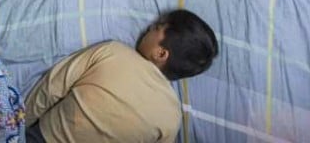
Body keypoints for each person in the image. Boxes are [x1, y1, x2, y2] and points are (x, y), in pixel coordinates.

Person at [23, 9, 219, 143]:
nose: (149, 28)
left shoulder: (114, 52)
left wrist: (21, 121)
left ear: (161, 54)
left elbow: (53, 86)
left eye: (157, 27)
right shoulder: (172, 118)